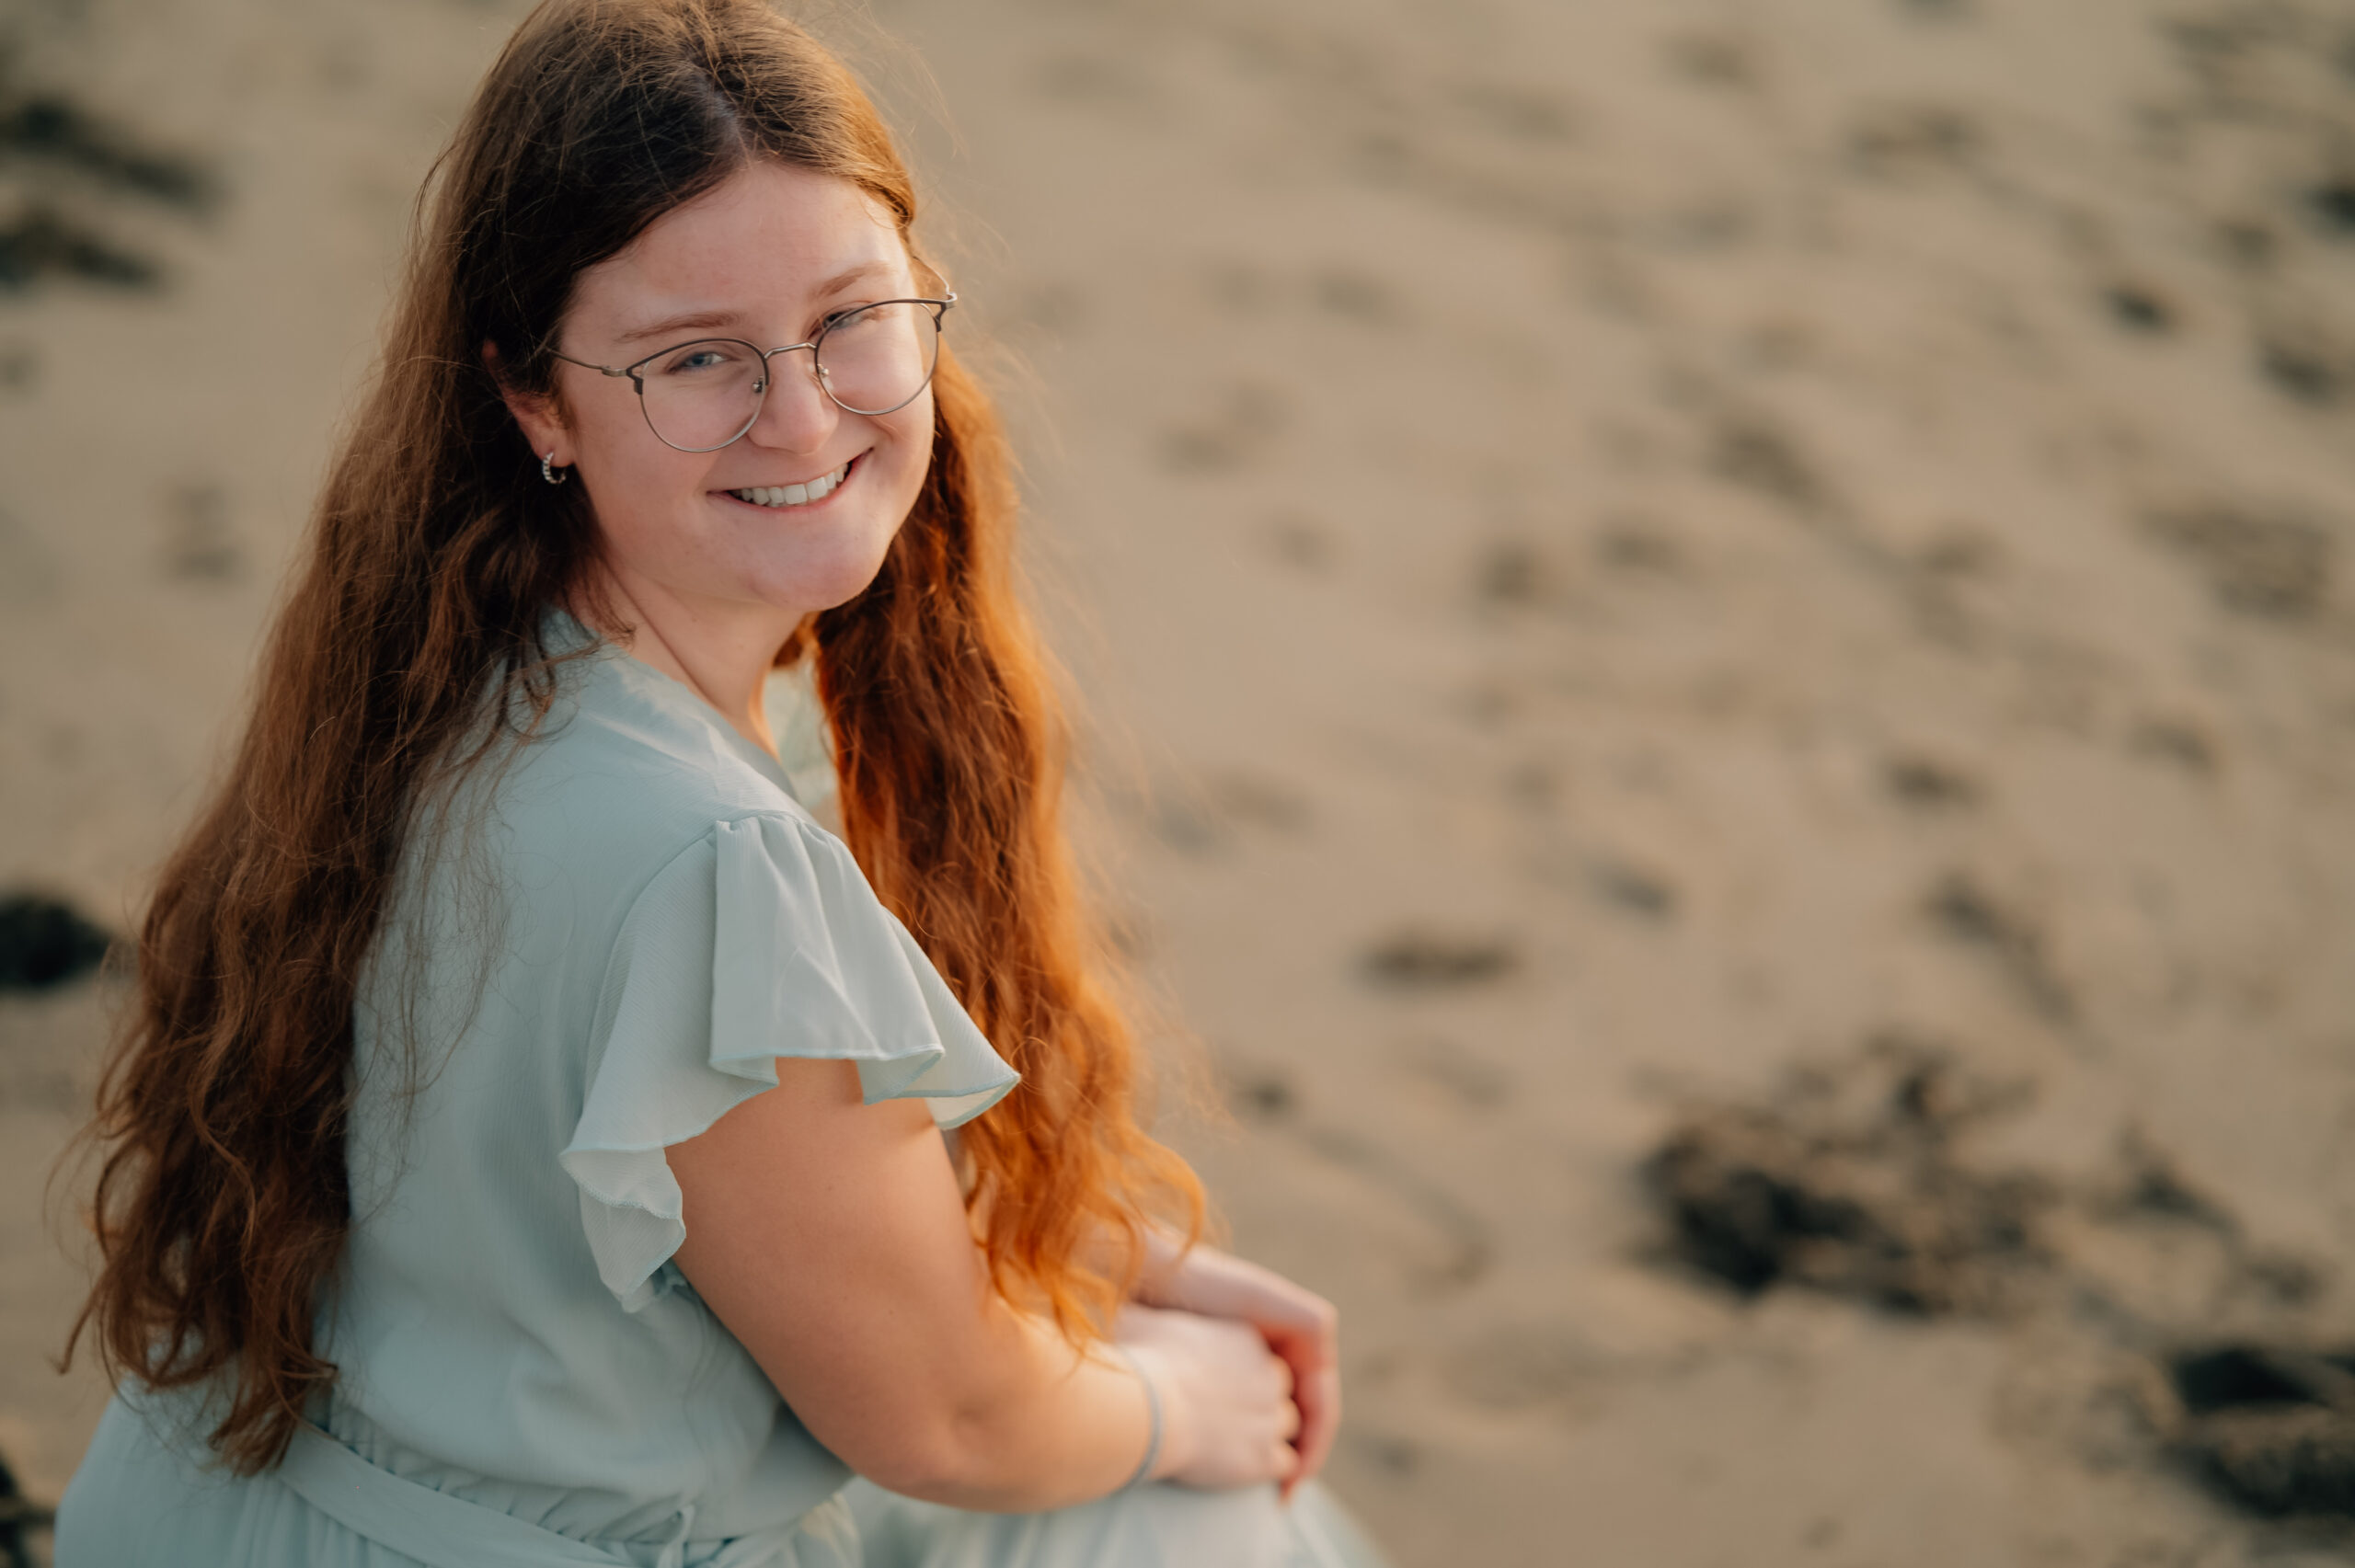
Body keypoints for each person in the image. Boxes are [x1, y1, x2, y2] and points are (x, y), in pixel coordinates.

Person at [50, 2, 1390, 1562]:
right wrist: (1190, 1407)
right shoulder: (706, 858)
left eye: (852, 317)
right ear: (533, 398)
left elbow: (777, 1187)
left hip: (233, 1506)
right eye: (697, 357)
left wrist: (1111, 1260)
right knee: (1214, 1517)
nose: (805, 415)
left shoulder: (442, 670)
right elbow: (948, 1420)